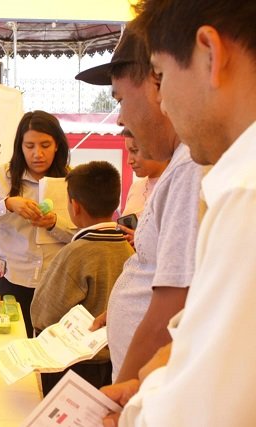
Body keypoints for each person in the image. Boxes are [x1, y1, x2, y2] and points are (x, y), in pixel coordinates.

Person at [100, 1, 256, 425]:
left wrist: (138, 411)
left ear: (210, 53)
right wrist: (157, 380)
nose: (163, 101)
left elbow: (208, 410)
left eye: (163, 77)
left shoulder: (245, 192)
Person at [75, 23, 204, 383]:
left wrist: (121, 395)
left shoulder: (189, 168)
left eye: (119, 99)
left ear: (157, 79)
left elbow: (171, 306)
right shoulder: (182, 165)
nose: (119, 118)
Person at [0, 110, 75, 338]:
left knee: (51, 351)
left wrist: (54, 223)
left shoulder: (71, 179)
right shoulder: (1, 175)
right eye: (30, 146)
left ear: (57, 145)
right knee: (10, 344)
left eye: (45, 145)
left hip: (55, 282)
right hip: (10, 279)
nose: (38, 154)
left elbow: (82, 235)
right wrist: (6, 204)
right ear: (20, 146)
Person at [31, 161, 134, 394]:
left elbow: (42, 313)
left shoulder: (76, 253)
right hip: (116, 361)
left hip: (75, 367)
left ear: (74, 206)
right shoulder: (129, 248)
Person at [119, 134, 169, 246]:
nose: (129, 161)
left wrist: (142, 241)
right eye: (128, 152)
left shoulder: (175, 186)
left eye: (135, 151)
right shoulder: (136, 187)